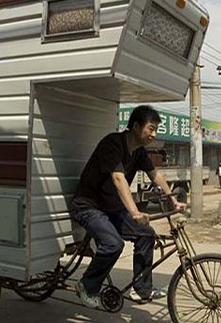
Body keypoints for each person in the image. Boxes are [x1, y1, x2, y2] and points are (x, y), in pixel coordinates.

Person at [70, 105, 186, 308]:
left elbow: (155, 174)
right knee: (113, 244)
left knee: (146, 233)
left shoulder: (139, 152)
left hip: (110, 209)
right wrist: (134, 212)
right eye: (151, 128)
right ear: (135, 126)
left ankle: (141, 289)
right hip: (88, 207)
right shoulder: (112, 143)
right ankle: (87, 286)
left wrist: (172, 198)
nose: (154, 134)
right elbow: (118, 178)